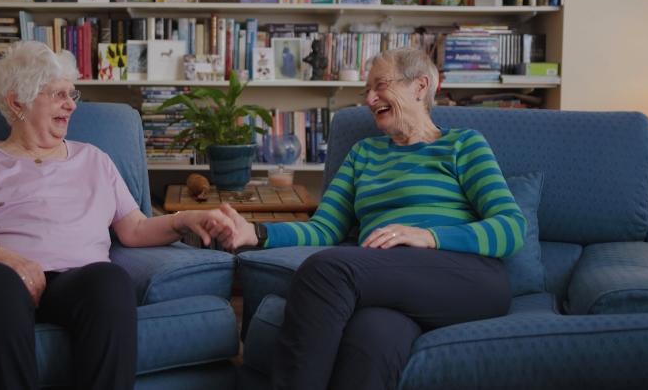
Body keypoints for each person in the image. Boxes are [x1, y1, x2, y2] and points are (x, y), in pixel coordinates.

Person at [0, 41, 234, 390]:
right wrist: (1, 257)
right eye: (57, 95)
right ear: (17, 102)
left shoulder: (95, 160)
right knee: (1, 283)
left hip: (68, 282)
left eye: (72, 94)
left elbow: (134, 229)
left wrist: (183, 220)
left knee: (109, 280)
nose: (71, 105)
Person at [216, 48, 527, 390]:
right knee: (373, 337)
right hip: (389, 280)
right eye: (366, 91)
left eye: (380, 85)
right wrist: (256, 233)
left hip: (465, 277)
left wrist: (429, 237)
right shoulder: (363, 154)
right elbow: (324, 229)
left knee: (327, 270)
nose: (369, 98)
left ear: (420, 86)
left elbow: (511, 227)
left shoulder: (463, 145)